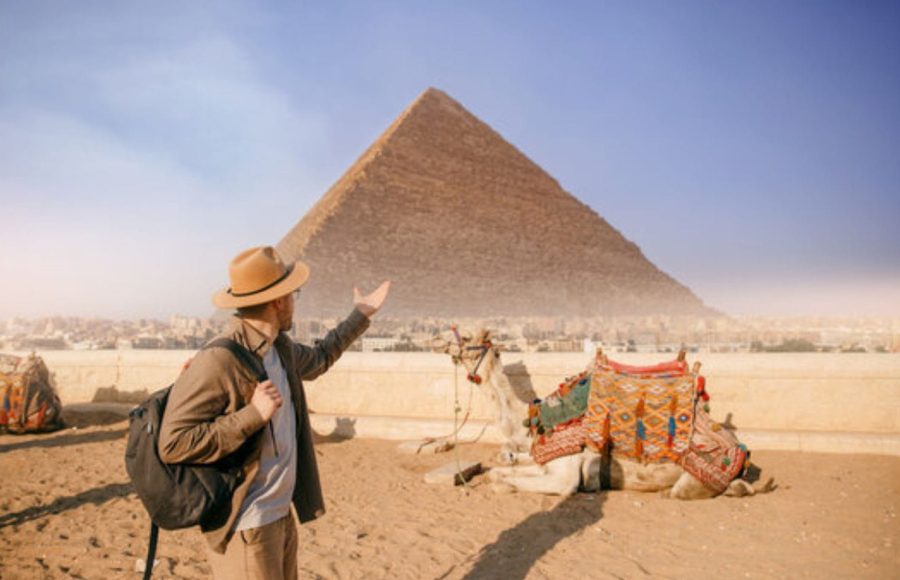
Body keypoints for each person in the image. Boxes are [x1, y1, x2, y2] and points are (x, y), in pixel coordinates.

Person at [158, 245, 389, 579]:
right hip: (246, 524)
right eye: (294, 294)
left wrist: (361, 314)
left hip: (280, 514)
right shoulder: (221, 358)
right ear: (279, 301)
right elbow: (174, 442)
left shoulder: (279, 348)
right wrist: (252, 415)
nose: (295, 300)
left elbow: (321, 357)